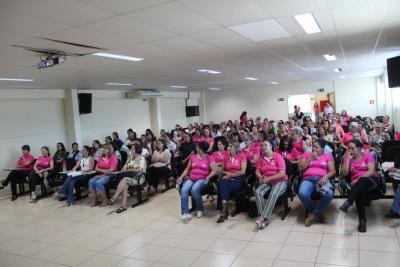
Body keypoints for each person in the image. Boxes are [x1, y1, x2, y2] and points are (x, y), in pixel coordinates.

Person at [339, 139, 381, 232]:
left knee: (362, 180)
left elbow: (371, 171)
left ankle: (349, 202)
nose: (350, 150)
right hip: (359, 186)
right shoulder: (348, 157)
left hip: (372, 182)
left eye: (352, 148)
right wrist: (347, 160)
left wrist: (358, 179)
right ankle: (362, 221)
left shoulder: (368, 156)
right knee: (360, 193)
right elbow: (345, 174)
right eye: (348, 148)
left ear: (359, 148)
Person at [298, 139, 335, 226]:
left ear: (322, 149)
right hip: (308, 179)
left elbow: (332, 171)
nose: (313, 149)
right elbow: (300, 168)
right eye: (312, 146)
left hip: (321, 180)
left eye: (316, 147)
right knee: (302, 193)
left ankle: (313, 215)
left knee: (328, 194)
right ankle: (318, 213)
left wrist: (326, 177)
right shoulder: (307, 154)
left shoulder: (328, 156)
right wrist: (310, 158)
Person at [177, 141, 217, 221]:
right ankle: (185, 213)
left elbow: (214, 170)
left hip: (203, 179)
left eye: (197, 147)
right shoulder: (193, 157)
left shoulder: (209, 158)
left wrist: (209, 176)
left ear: (201, 149)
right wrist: (181, 177)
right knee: (184, 190)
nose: (196, 148)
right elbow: (188, 169)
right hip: (191, 178)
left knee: (194, 190)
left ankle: (200, 209)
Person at [254, 140, 288, 229]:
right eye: (262, 146)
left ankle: (262, 218)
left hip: (280, 180)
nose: (263, 147)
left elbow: (282, 173)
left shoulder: (278, 157)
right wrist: (260, 176)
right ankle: (265, 218)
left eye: (265, 145)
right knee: (257, 191)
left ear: (271, 146)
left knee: (273, 194)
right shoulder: (261, 158)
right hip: (267, 181)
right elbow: (257, 171)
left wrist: (269, 178)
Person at [108, 144, 147, 213]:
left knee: (125, 180)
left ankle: (115, 197)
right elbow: (123, 169)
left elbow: (139, 170)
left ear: (137, 150)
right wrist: (128, 169)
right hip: (129, 177)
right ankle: (123, 206)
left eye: (133, 149)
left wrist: (129, 170)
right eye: (131, 148)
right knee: (125, 184)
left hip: (139, 178)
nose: (131, 150)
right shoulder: (130, 158)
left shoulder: (141, 158)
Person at [217, 141, 247, 223]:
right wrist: (228, 174)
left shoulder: (242, 156)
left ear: (236, 148)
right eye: (228, 146)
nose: (228, 148)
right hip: (228, 177)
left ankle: (224, 210)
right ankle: (224, 211)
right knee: (221, 182)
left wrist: (231, 175)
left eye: (231, 146)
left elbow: (243, 171)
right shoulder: (226, 157)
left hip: (239, 178)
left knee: (221, 186)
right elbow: (222, 171)